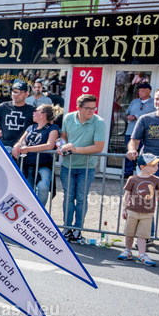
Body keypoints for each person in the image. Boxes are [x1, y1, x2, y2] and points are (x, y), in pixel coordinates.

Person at [127, 87, 159, 241]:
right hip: (149, 167)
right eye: (157, 99)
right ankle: (146, 235)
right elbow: (134, 141)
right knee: (145, 199)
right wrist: (132, 150)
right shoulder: (145, 119)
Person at [59, 94, 107, 242]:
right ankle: (67, 228)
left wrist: (75, 149)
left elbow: (98, 147)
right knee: (68, 197)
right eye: (88, 108)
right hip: (68, 165)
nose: (91, 111)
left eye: (94, 108)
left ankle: (78, 229)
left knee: (81, 198)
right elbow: (63, 136)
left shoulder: (99, 122)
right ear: (78, 108)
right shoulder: (68, 118)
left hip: (86, 167)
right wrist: (61, 146)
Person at [12, 104, 62, 207]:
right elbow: (21, 141)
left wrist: (28, 149)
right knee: (27, 191)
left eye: (36, 111)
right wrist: (16, 147)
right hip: (28, 164)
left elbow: (49, 145)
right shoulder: (31, 127)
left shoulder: (53, 128)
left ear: (43, 114)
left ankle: (40, 210)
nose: (33, 113)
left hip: (43, 164)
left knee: (43, 187)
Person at [118, 153, 159, 267]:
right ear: (142, 167)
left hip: (148, 212)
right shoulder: (133, 179)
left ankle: (142, 254)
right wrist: (124, 209)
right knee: (129, 233)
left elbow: (157, 193)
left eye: (157, 165)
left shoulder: (156, 180)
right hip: (132, 210)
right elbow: (127, 195)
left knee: (142, 235)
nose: (156, 168)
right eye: (153, 166)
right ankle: (127, 251)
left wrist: (158, 197)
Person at [123, 82, 154, 177]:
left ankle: (144, 173)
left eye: (143, 91)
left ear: (149, 91)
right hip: (131, 131)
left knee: (144, 155)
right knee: (130, 152)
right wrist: (129, 117)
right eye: (139, 91)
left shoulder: (154, 103)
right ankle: (128, 173)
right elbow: (126, 114)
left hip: (146, 133)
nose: (140, 93)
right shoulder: (134, 102)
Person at [0, 81, 33, 148]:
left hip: (22, 147)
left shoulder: (31, 110)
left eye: (19, 92)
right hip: (4, 146)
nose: (15, 95)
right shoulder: (4, 107)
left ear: (26, 94)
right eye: (14, 92)